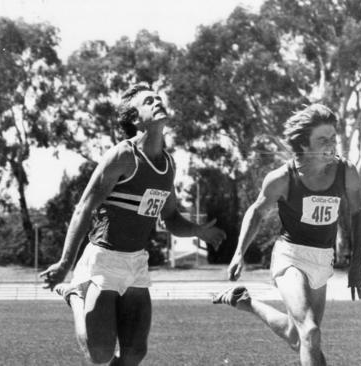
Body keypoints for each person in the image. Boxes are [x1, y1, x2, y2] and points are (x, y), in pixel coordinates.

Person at [40, 84, 226, 365]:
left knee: (134, 354)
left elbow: (171, 218)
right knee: (100, 354)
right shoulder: (123, 156)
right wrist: (65, 263)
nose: (157, 102)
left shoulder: (168, 165)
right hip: (103, 260)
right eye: (148, 101)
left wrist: (199, 231)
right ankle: (75, 296)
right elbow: (84, 207)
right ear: (135, 119)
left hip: (137, 263)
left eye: (159, 98)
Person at [212, 104, 361, 366]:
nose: (331, 146)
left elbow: (358, 213)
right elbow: (257, 211)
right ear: (304, 145)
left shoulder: (346, 171)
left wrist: (356, 264)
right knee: (310, 332)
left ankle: (247, 302)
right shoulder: (282, 178)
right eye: (322, 140)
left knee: (298, 337)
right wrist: (239, 252)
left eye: (333, 139)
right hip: (290, 257)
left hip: (323, 260)